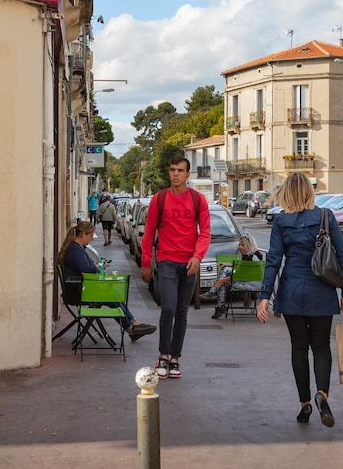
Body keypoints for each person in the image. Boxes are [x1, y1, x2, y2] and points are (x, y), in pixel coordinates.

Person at [257, 172, 343, 427]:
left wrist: (265, 296)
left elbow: (274, 260)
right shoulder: (325, 216)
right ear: (310, 192)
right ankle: (322, 393)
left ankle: (304, 404)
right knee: (321, 346)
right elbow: (341, 256)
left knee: (299, 347)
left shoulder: (280, 221)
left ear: (286, 192)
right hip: (321, 290)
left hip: (291, 290)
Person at [141, 156, 211, 380]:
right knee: (168, 307)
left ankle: (175, 358)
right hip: (167, 261)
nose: (175, 174)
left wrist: (198, 256)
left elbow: (205, 232)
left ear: (188, 174)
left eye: (180, 170)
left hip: (189, 263)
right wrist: (145, 263)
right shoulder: (159, 199)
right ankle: (163, 354)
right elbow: (149, 232)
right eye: (172, 170)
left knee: (182, 311)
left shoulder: (198, 200)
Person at [58, 221, 156, 341]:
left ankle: (132, 327)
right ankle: (132, 326)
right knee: (113, 296)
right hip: (78, 293)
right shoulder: (75, 250)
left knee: (114, 297)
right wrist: (100, 265)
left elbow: (86, 267)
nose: (91, 239)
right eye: (90, 236)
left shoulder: (77, 248)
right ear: (83, 234)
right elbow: (87, 269)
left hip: (80, 289)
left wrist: (98, 265)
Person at [201, 234, 264, 319]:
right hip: (257, 283)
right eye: (239, 245)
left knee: (223, 284)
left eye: (242, 245)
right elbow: (240, 269)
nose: (240, 247)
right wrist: (226, 265)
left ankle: (219, 304)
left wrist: (222, 281)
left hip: (250, 285)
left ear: (249, 246)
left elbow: (238, 276)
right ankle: (214, 294)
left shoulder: (247, 258)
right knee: (225, 269)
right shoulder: (256, 255)